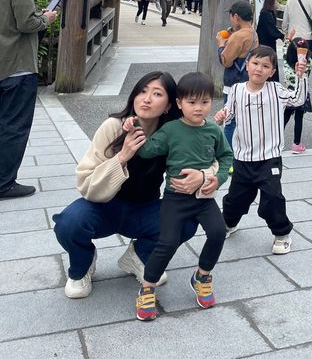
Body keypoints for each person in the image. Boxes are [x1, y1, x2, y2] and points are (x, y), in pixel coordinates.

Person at [52, 71, 211, 298]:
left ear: (169, 105)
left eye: (157, 94)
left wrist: (204, 176)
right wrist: (122, 157)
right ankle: (82, 265)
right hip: (103, 207)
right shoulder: (113, 127)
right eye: (142, 91)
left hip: (143, 210)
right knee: (69, 223)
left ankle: (139, 257)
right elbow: (86, 183)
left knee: (187, 219)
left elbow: (208, 158)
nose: (146, 99)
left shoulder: (173, 133)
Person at [131, 72, 232, 321]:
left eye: (205, 102)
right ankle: (147, 287)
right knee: (167, 242)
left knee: (218, 232)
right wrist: (134, 127)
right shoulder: (171, 130)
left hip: (204, 197)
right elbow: (147, 151)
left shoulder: (213, 131)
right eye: (192, 102)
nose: (199, 108)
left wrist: (218, 178)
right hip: (175, 198)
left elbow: (226, 157)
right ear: (179, 103)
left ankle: (202, 276)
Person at [215, 46, 307, 254]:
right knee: (236, 199)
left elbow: (298, 99)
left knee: (272, 198)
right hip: (243, 158)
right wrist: (222, 116)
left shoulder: (276, 90)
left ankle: (282, 234)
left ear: (272, 72)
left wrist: (300, 77)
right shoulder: (237, 90)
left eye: (265, 66)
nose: (259, 69)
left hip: (269, 158)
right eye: (255, 63)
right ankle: (229, 223)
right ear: (247, 66)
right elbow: (229, 114)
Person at [0, 0, 58, 199]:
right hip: (19, 65)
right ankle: (4, 183)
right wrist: (46, 18)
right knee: (14, 126)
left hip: (3, 63)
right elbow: (26, 24)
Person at [216, 0, 258, 146]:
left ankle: (228, 154)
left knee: (230, 121)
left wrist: (221, 45)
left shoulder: (238, 36)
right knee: (245, 120)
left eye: (231, 16)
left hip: (234, 84)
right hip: (247, 82)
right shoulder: (253, 33)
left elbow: (226, 61)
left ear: (236, 17)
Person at [283, 37, 312, 153]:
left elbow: (285, 48)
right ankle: (296, 144)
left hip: (288, 92)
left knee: (284, 117)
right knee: (299, 118)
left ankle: (277, 141)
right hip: (302, 92)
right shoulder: (307, 62)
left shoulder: (286, 59)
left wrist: (288, 39)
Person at [257, 0, 284, 81]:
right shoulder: (266, 14)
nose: (278, 4)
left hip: (269, 42)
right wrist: (281, 36)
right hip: (265, 43)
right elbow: (271, 30)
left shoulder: (269, 13)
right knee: (268, 63)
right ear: (271, 2)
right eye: (277, 1)